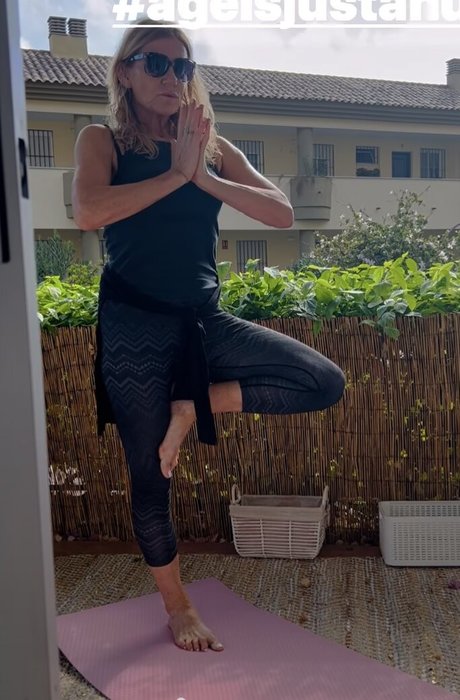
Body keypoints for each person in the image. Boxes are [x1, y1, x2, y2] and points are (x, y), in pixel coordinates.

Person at [72, 17, 345, 654]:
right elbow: (87, 212)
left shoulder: (211, 147)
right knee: (150, 477)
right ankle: (178, 606)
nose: (172, 75)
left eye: (183, 65)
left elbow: (281, 213)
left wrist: (201, 174)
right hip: (134, 328)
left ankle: (194, 407)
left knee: (322, 381)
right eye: (156, 62)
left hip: (204, 322)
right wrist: (174, 175)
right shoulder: (102, 140)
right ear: (126, 73)